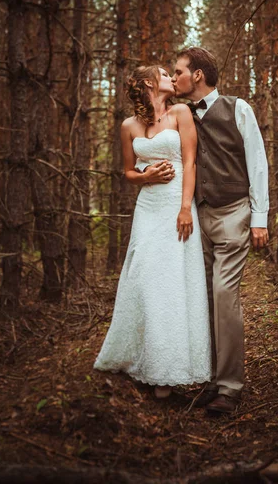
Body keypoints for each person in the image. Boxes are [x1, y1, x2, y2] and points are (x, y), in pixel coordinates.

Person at [93, 65, 211, 399]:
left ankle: (171, 372)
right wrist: (146, 177)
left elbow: (190, 162)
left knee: (175, 281)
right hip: (148, 208)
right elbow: (128, 172)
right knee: (146, 279)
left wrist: (186, 207)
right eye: (164, 74)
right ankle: (145, 360)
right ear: (148, 82)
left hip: (177, 205)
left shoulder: (181, 113)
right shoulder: (128, 125)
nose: (173, 79)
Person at [169, 47, 269, 414]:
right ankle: (212, 378)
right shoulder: (180, 115)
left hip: (233, 213)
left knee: (224, 295)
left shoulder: (238, 108)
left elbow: (258, 164)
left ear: (197, 75)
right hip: (198, 217)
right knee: (205, 298)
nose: (174, 76)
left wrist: (260, 218)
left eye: (177, 71)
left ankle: (229, 387)